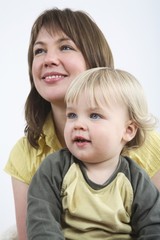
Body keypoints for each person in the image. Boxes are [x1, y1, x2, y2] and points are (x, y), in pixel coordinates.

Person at [4, 7, 160, 240]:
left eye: (65, 47)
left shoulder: (146, 147)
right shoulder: (28, 155)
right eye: (39, 51)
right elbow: (38, 230)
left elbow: (154, 226)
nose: (49, 59)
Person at [27, 67, 160, 240]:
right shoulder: (54, 169)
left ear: (128, 130)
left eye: (95, 116)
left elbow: (154, 229)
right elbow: (41, 222)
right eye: (72, 115)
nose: (78, 124)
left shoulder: (136, 180)